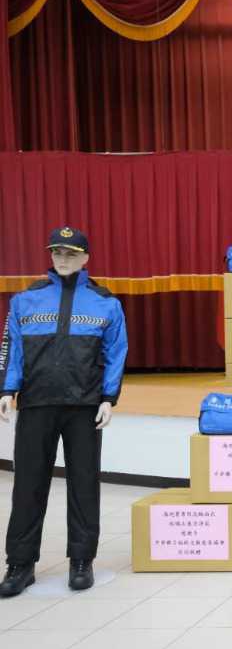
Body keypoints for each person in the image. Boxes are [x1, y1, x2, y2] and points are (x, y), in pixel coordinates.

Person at [0, 228, 128, 597]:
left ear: (86, 258)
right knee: (27, 485)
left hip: (85, 407)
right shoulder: (25, 300)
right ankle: (20, 565)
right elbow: (12, 348)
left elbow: (116, 352)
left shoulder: (106, 303)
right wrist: (7, 389)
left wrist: (109, 397)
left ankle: (81, 561)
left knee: (84, 485)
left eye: (71, 253)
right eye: (57, 252)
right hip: (37, 403)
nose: (63, 259)